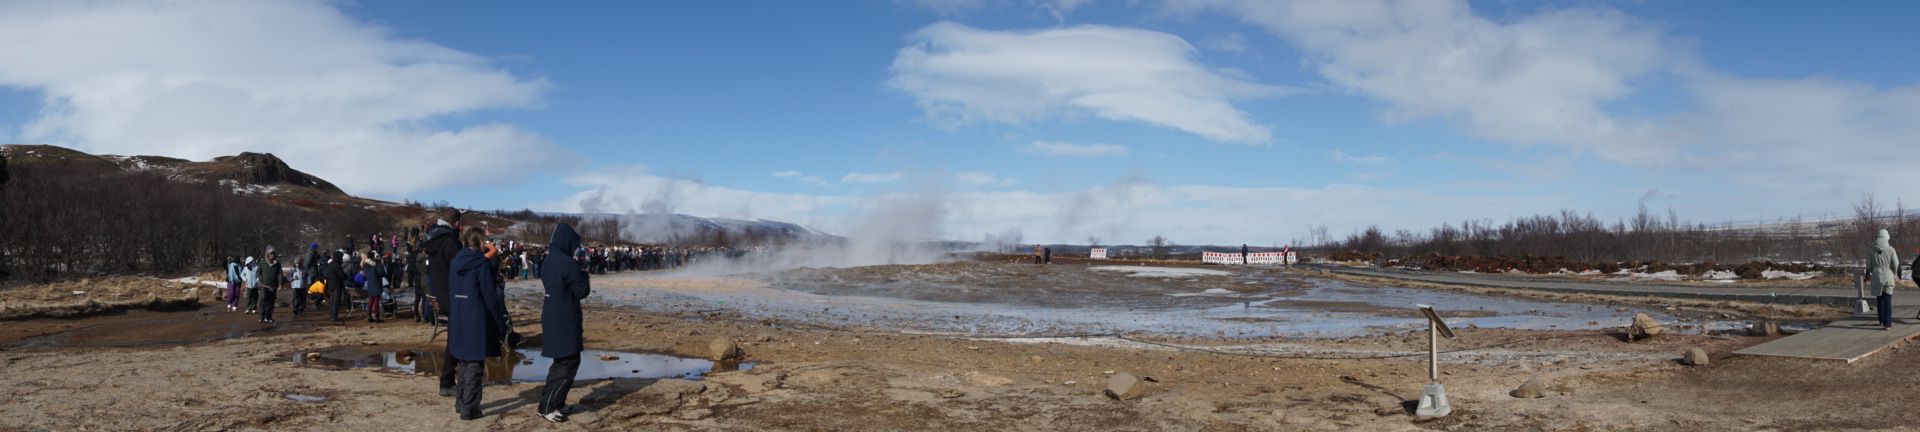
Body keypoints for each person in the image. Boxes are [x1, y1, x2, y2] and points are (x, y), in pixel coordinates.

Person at [448, 227, 510, 420]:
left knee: (464, 362)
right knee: (474, 363)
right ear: (480, 242)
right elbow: (490, 295)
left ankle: (461, 403)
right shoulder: (480, 264)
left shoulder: (456, 261)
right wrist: (500, 322)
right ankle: (469, 409)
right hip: (475, 316)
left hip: (459, 314)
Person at [537, 224, 591, 422]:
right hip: (565, 317)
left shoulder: (548, 260)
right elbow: (582, 291)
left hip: (552, 313)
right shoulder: (568, 264)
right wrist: (583, 269)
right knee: (568, 362)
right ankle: (548, 407)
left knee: (560, 362)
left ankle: (555, 403)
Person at [422, 209, 465, 395]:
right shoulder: (449, 241)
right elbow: (461, 269)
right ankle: (448, 381)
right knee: (457, 337)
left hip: (441, 292)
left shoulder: (436, 238)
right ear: (456, 223)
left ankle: (450, 379)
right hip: (453, 294)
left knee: (456, 336)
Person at [1868, 229, 1901, 330]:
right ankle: (1887, 324)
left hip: (1876, 275)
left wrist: (1874, 271)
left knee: (1879, 298)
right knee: (1887, 299)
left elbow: (1869, 265)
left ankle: (1881, 320)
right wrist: (1893, 273)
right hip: (1888, 275)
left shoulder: (1870, 249)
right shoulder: (1891, 249)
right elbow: (1895, 264)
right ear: (1887, 238)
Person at [362, 252, 388, 323]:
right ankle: (377, 317)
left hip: (370, 284)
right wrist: (381, 265)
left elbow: (365, 275)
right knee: (376, 301)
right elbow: (382, 273)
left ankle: (369, 316)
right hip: (376, 283)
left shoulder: (366, 265)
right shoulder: (376, 264)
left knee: (371, 301)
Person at [258, 248, 282, 324]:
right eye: (271, 253)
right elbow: (258, 272)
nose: (272, 255)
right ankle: (262, 316)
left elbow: (280, 274)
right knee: (263, 301)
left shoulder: (277, 263)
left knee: (271, 302)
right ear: (267, 254)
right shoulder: (262, 262)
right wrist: (260, 280)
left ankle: (268, 317)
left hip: (273, 286)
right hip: (264, 285)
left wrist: (280, 284)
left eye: (274, 253)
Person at [325, 250, 348, 324]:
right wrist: (346, 276)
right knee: (336, 302)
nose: (342, 259)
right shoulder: (337, 265)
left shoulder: (330, 264)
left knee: (332, 301)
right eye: (341, 257)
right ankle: (334, 318)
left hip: (330, 286)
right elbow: (342, 275)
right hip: (336, 285)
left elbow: (326, 274)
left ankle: (332, 316)